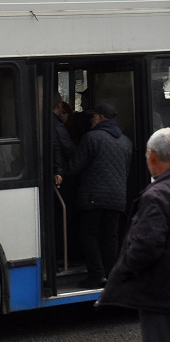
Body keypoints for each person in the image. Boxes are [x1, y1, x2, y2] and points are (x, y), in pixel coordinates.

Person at [97, 128, 170, 342]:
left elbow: (145, 244)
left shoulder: (157, 197)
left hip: (160, 296)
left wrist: (122, 273)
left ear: (153, 158)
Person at [56, 103, 132, 288]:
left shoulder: (92, 138)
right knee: (110, 236)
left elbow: (75, 166)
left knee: (88, 233)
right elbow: (126, 170)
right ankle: (111, 274)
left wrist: (60, 172)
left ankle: (96, 275)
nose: (91, 120)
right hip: (118, 197)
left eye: (93, 117)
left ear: (101, 118)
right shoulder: (126, 142)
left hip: (94, 196)